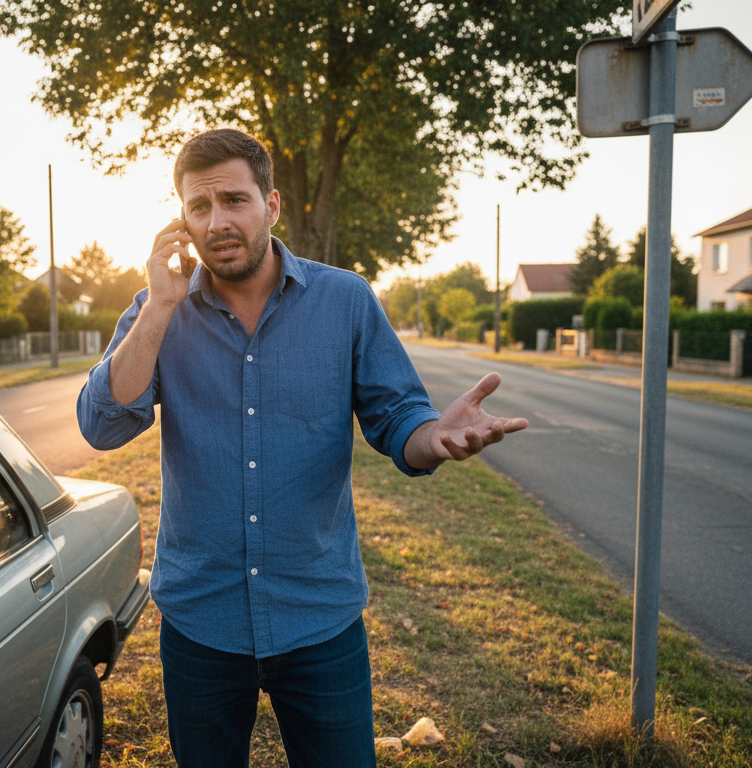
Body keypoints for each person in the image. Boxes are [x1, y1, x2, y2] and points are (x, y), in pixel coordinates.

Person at [77, 128, 527, 767]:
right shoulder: (157, 310)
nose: (217, 221)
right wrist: (157, 311)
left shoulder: (345, 299)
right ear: (182, 219)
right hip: (201, 623)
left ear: (272, 205)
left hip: (320, 618)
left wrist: (432, 437)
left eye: (235, 200)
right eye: (199, 206)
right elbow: (102, 425)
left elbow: (397, 415)